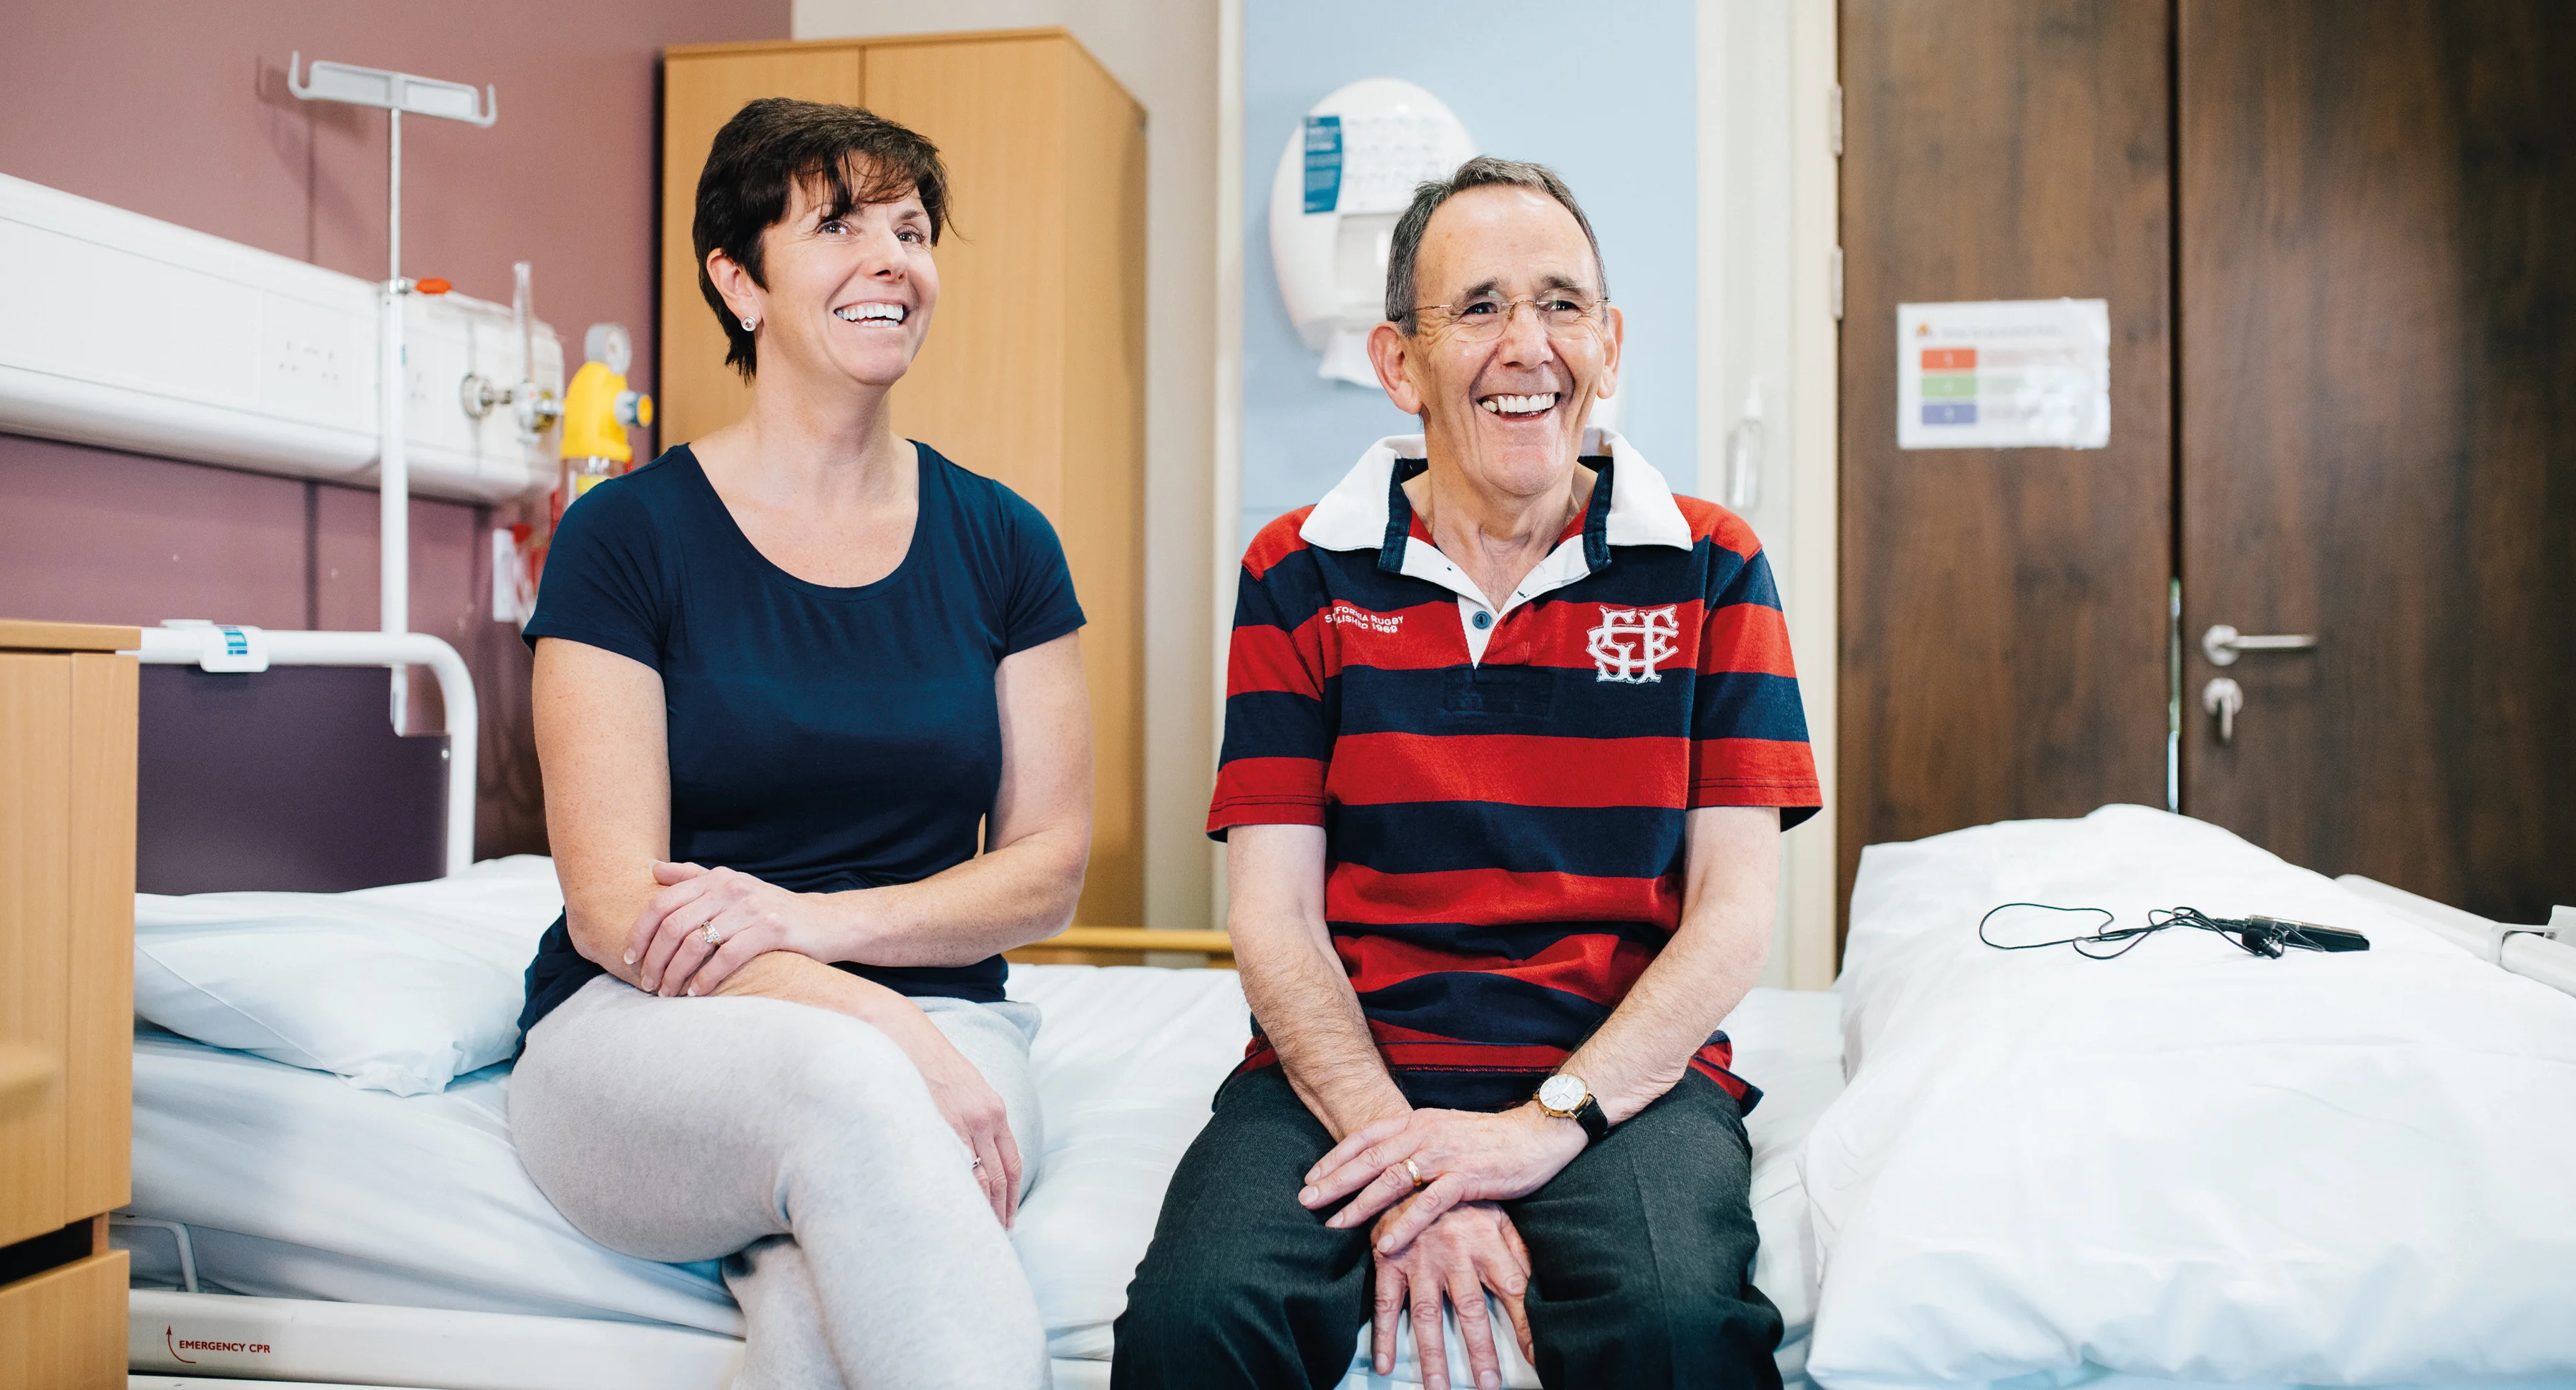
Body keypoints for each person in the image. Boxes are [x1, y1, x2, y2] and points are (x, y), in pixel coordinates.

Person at [1113, 157, 1823, 1390]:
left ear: (1609, 342)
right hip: (1347, 1068)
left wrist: (1534, 1133)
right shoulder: (1298, 571)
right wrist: (1415, 1166)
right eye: (1480, 307)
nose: (1527, 344)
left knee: (1674, 1333)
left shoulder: (1714, 566)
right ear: (1400, 362)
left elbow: (1733, 920)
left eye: (1561, 305)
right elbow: (1273, 921)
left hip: (1625, 1077)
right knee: (1192, 1326)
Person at [506, 98, 1090, 1390]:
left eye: (912, 228)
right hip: (651, 1028)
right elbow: (615, 908)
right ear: (738, 278)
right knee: (857, 1093)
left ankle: (788, 1217)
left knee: (820, 1288)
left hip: (932, 1017)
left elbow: (1048, 869)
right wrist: (890, 1032)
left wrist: (821, 932)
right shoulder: (625, 540)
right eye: (839, 226)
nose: (894, 258)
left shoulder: (1006, 542)